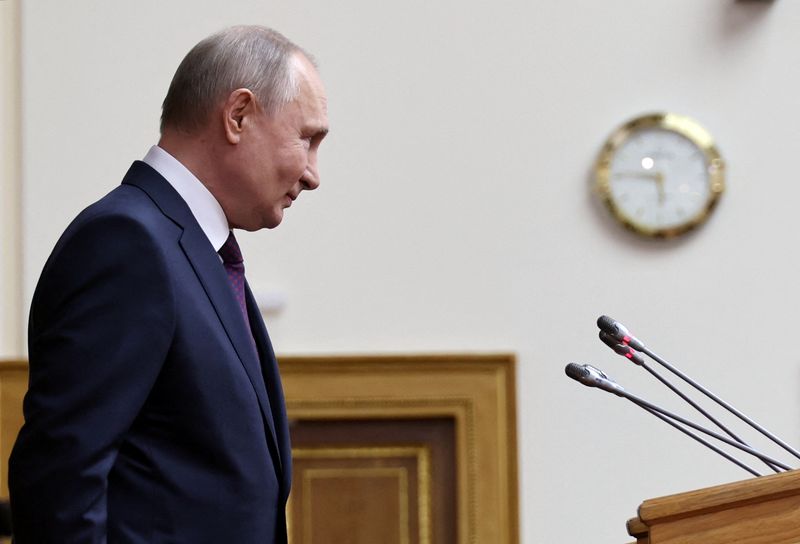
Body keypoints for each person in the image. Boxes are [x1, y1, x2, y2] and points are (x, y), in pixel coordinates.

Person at [8, 25, 329, 543]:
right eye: (307, 139)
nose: (314, 173)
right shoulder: (126, 241)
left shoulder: (194, 248)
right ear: (238, 115)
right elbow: (61, 479)